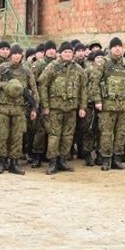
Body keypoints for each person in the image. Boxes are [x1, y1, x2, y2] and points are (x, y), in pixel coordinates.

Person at [38, 42, 88, 174]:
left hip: (71, 109)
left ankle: (62, 160)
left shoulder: (78, 69)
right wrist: (45, 106)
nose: (67, 54)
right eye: (65, 52)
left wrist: (82, 106)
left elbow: (83, 89)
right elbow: (43, 85)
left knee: (68, 136)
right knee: (54, 135)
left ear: (73, 54)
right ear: (60, 53)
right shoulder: (52, 67)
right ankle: (53, 161)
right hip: (55, 108)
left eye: (70, 52)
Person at [0, 44, 39, 175]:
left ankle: (14, 162)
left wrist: (35, 107)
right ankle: (0, 161)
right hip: (3, 107)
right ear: (11, 55)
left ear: (22, 55)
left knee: (17, 136)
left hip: (19, 108)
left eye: (19, 54)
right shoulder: (2, 68)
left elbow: (33, 89)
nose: (17, 56)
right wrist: (6, 85)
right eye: (14, 53)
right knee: (2, 134)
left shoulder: (26, 70)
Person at [96, 37, 125, 170]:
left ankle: (117, 158)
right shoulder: (103, 63)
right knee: (107, 133)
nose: (118, 49)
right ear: (111, 48)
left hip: (124, 105)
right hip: (108, 104)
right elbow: (94, 83)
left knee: (121, 133)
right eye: (115, 47)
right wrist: (97, 101)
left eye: (120, 46)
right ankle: (106, 159)